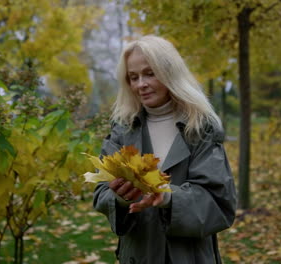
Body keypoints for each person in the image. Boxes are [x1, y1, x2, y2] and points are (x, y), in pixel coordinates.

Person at [93, 35, 237, 264]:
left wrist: (168, 197)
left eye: (150, 73)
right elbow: (101, 192)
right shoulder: (122, 129)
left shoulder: (200, 129)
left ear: (170, 72)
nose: (141, 84)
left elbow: (219, 202)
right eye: (133, 77)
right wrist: (119, 198)